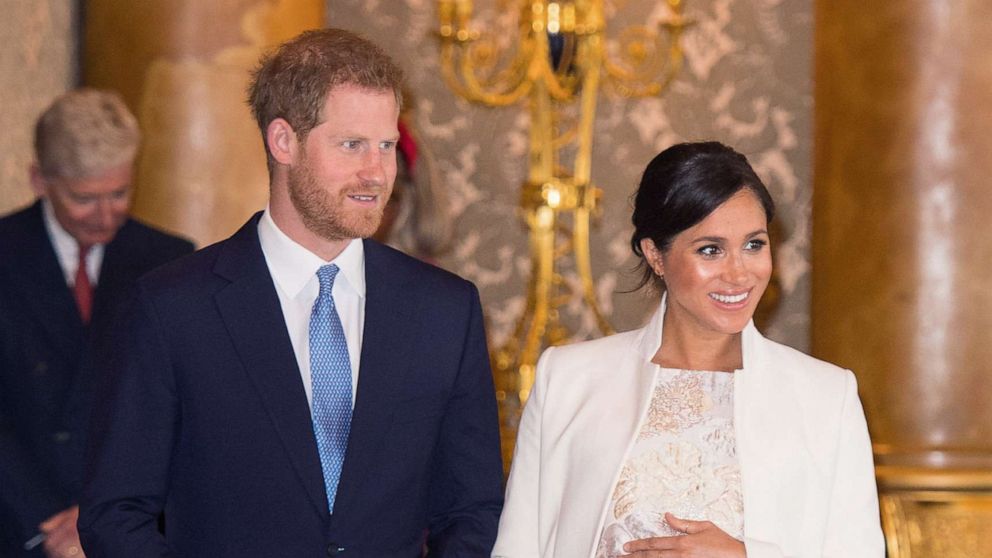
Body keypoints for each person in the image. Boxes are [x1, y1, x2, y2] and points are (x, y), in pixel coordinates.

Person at [78, 28, 504, 558]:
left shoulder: (445, 309)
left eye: (387, 146)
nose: (376, 173)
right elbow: (115, 514)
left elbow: (473, 509)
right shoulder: (172, 308)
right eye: (352, 145)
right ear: (284, 141)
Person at [492, 142, 884, 557]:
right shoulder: (568, 379)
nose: (739, 273)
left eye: (754, 244)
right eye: (710, 250)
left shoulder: (825, 395)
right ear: (655, 255)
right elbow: (519, 548)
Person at [0, 89, 194, 558]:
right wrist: (43, 523)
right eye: (85, 199)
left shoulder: (170, 261)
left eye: (119, 193)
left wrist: (101, 518)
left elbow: (177, 414)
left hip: (126, 531)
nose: (106, 215)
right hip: (17, 524)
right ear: (40, 180)